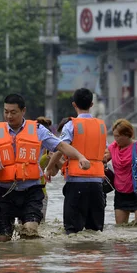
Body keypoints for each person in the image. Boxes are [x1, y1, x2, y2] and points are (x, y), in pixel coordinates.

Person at [0, 94, 91, 241]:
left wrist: (80, 157)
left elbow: (60, 145)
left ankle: (30, 262)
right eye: (6, 111)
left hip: (31, 191)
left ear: (23, 111)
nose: (8, 116)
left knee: (29, 232)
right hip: (4, 191)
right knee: (3, 238)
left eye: (13, 112)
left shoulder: (38, 129)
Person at [45, 88, 107, 235]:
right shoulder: (101, 125)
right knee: (95, 231)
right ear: (92, 104)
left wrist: (48, 168)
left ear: (74, 104)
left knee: (72, 231)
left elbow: (60, 148)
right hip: (98, 184)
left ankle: (75, 257)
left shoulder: (71, 125)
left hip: (76, 183)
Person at [104, 119, 137, 224]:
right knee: (120, 229)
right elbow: (103, 159)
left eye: (118, 136)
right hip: (121, 193)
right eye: (114, 136)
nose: (116, 139)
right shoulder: (113, 148)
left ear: (128, 134)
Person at [36, 117, 53, 222]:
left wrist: (50, 165)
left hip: (41, 191)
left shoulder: (49, 150)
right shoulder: (28, 147)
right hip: (25, 190)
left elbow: (55, 172)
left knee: (40, 224)